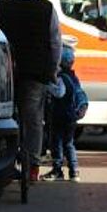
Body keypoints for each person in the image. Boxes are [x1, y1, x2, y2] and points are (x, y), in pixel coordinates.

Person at [0, 0, 62, 182]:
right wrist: (54, 70)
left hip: (7, 72)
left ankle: (4, 162)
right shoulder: (47, 8)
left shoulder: (1, 4)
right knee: (33, 120)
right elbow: (55, 42)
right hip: (35, 72)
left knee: (6, 116)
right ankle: (32, 167)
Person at [42, 45, 89, 182]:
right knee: (69, 144)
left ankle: (57, 170)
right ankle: (74, 171)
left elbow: (59, 92)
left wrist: (48, 87)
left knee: (56, 143)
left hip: (59, 116)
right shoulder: (74, 78)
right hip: (71, 117)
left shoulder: (61, 78)